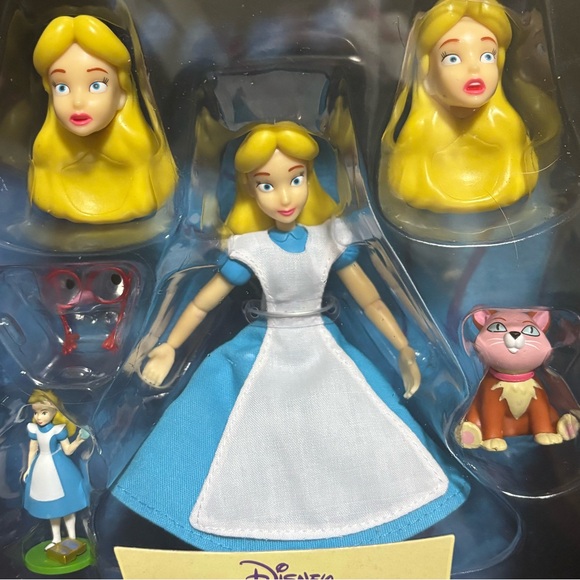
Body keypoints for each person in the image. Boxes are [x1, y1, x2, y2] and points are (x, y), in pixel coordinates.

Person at [113, 122, 468, 550]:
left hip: (324, 346)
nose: (284, 197)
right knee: (250, 426)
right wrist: (168, 346)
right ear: (250, 190)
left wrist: (404, 348)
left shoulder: (329, 240)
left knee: (353, 422)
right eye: (267, 185)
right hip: (266, 346)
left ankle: (359, 511)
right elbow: (201, 304)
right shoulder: (250, 249)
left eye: (295, 180)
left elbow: (373, 301)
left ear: (310, 179)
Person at [381, 0, 538, 214]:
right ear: (428, 72)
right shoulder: (417, 138)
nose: (474, 68)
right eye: (452, 58)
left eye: (487, 56)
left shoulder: (510, 132)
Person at [29, 15, 177, 224]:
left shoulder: (144, 162)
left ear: (122, 93)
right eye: (61, 87)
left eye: (96, 85)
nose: (77, 102)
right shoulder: (47, 162)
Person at [23, 390, 89, 549]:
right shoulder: (34, 429)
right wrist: (29, 468)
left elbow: (68, 450)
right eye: (36, 412)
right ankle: (56, 539)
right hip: (41, 469)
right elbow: (32, 450)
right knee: (52, 507)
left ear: (55, 411)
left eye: (43, 412)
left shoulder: (57, 430)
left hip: (59, 467)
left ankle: (72, 538)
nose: (39, 417)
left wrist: (79, 440)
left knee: (67, 505)